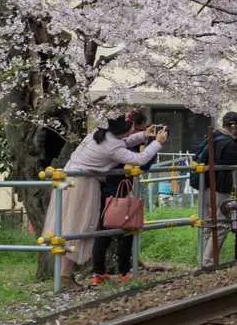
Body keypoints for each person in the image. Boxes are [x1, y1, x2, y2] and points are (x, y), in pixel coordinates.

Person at [41, 111, 166, 286]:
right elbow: (139, 159)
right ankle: (64, 276)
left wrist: (143, 135)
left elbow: (123, 142)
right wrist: (157, 143)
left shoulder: (100, 135)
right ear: (124, 129)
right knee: (78, 228)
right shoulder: (113, 147)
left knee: (70, 226)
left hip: (69, 179)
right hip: (82, 185)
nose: (132, 132)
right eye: (132, 128)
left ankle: (65, 275)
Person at [90, 112, 154, 286]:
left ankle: (99, 272)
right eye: (136, 129)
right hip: (118, 190)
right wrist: (155, 144)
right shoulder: (118, 145)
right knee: (124, 230)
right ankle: (122, 272)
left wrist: (147, 140)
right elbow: (142, 163)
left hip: (106, 189)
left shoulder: (107, 138)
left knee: (104, 231)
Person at [197, 111, 237, 269]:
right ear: (234, 126)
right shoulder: (227, 143)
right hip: (218, 189)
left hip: (203, 186)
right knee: (222, 224)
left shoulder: (213, 137)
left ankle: (203, 261)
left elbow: (228, 155)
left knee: (207, 225)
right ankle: (208, 263)